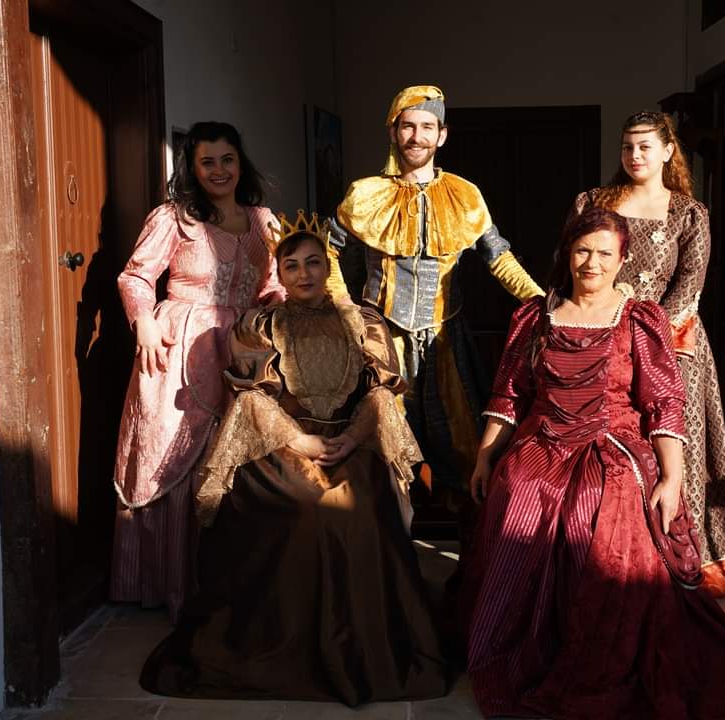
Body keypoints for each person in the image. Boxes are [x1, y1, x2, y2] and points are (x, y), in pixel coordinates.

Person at [463, 207, 725, 719]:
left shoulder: (638, 319)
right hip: (541, 440)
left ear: (622, 259)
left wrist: (673, 476)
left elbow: (663, 403)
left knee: (597, 503)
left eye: (604, 253)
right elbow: (509, 394)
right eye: (583, 250)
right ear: (566, 253)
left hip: (613, 441)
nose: (592, 262)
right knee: (518, 486)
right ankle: (523, 635)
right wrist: (485, 456)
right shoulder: (535, 316)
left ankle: (592, 642)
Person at [140, 213, 448, 704]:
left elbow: (381, 393)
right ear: (279, 274)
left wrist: (353, 436)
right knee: (309, 512)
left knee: (359, 510)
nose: (304, 274)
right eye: (292, 266)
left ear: (328, 267)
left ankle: (362, 644)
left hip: (350, 443)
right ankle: (290, 643)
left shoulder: (363, 322)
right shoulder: (259, 325)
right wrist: (300, 442)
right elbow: (251, 397)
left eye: (313, 263)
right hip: (281, 444)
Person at [567, 110, 725, 596]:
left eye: (645, 146)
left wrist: (641, 338)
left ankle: (684, 558)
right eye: (627, 146)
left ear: (668, 151)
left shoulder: (689, 214)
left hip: (670, 343)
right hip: (599, 336)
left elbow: (689, 285)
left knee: (674, 446)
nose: (634, 155)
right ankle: (607, 550)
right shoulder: (592, 202)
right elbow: (570, 262)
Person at [327, 84, 543, 503]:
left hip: (446, 336)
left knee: (462, 444)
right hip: (380, 339)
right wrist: (344, 308)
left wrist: (543, 303)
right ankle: (392, 543)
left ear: (442, 135)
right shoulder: (365, 194)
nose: (417, 136)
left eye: (427, 127)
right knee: (382, 444)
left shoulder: (465, 195)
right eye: (408, 126)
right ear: (393, 132)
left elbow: (499, 258)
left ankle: (467, 541)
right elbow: (326, 252)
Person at [111, 121, 284, 621]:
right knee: (170, 453)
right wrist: (144, 320)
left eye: (227, 159)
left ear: (240, 163)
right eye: (207, 162)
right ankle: (162, 582)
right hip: (176, 349)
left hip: (241, 349)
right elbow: (136, 275)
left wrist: (275, 319)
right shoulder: (173, 217)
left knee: (232, 455)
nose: (219, 170)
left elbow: (274, 285)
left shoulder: (263, 221)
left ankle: (222, 584)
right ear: (192, 166)